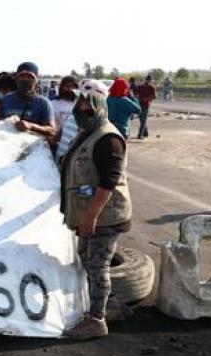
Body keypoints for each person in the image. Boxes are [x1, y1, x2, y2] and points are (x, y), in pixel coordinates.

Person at [60, 92, 131, 339]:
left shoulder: (108, 139)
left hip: (104, 217)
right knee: (86, 258)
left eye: (88, 111)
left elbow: (108, 184)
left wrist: (91, 217)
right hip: (88, 214)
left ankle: (97, 320)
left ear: (101, 110)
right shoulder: (88, 134)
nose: (82, 116)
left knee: (97, 266)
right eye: (78, 112)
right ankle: (110, 306)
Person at [0, 62, 55, 139]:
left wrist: (32, 126)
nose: (25, 79)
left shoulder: (43, 103)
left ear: (36, 80)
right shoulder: (6, 100)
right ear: (16, 79)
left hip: (33, 146)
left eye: (29, 77)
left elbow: (52, 131)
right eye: (22, 76)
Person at [136, 75, 157, 139]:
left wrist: (147, 98)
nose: (148, 81)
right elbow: (136, 94)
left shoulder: (151, 87)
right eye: (147, 80)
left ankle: (140, 135)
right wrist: (139, 98)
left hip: (146, 105)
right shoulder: (140, 87)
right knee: (142, 120)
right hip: (140, 104)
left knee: (143, 120)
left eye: (149, 80)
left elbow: (154, 96)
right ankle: (145, 133)